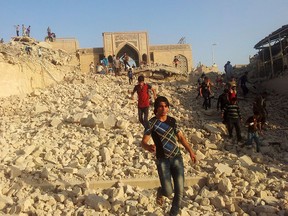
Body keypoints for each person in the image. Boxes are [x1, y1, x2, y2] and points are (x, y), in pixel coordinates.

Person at [141, 96, 196, 216]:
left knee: (180, 191)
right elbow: (143, 141)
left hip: (177, 158)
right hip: (163, 160)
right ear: (156, 108)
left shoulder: (172, 121)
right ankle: (160, 191)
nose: (164, 109)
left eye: (166, 106)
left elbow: (181, 137)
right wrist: (148, 146)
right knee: (168, 191)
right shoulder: (151, 123)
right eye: (161, 106)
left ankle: (173, 214)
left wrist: (191, 151)